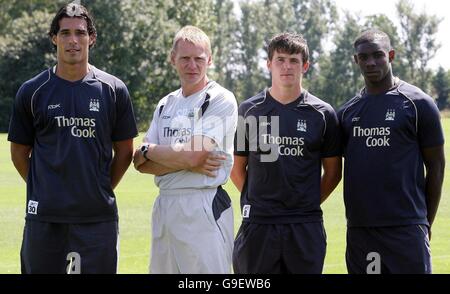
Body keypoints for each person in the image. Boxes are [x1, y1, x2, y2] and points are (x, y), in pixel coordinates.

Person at [8, 2, 138, 274]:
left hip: (96, 219)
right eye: (65, 33)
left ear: (91, 38)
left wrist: (99, 186)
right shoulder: (32, 91)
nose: (73, 41)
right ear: (54, 38)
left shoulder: (113, 90)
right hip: (44, 218)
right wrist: (45, 186)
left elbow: (125, 152)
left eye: (80, 33)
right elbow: (19, 153)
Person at [231, 32, 342, 274]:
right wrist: (261, 199)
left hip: (305, 225)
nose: (287, 66)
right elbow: (237, 168)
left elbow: (333, 173)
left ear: (305, 65)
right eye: (280, 59)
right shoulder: (249, 110)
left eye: (293, 60)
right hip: (258, 225)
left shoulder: (323, 113)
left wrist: (304, 202)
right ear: (269, 64)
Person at [338, 29, 445, 274]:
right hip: (361, 231)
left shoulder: (418, 104)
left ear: (391, 55)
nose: (371, 62)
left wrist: (425, 222)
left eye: (378, 55)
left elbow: (437, 167)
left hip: (406, 228)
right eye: (363, 57)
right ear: (356, 60)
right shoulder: (346, 113)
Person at [133, 25, 238, 274]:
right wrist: (181, 158)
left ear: (209, 60)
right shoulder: (165, 104)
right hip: (165, 205)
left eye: (199, 59)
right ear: (173, 60)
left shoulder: (220, 98)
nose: (192, 65)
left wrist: (152, 151)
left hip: (202, 203)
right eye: (185, 59)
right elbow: (139, 162)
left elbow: (194, 155)